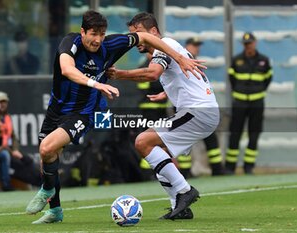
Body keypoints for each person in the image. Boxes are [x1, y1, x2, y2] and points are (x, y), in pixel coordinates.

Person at [25, 10, 206, 224]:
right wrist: (96, 83)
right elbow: (66, 69)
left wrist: (179, 57)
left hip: (83, 112)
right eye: (93, 34)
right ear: (83, 32)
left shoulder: (111, 45)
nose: (98, 40)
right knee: (47, 158)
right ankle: (55, 211)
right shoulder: (70, 42)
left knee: (47, 148)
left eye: (102, 34)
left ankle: (46, 189)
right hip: (56, 109)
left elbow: (146, 37)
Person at [107, 12, 219, 220]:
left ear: (153, 32)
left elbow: (152, 74)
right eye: (133, 35)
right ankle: (179, 206)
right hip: (202, 111)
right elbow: (187, 77)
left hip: (198, 111)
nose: (137, 39)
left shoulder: (163, 45)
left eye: (139, 33)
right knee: (158, 156)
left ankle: (184, 191)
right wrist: (167, 92)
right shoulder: (172, 47)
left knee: (142, 142)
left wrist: (120, 74)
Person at [225, 32, 272, 174]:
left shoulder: (264, 60)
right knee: (235, 133)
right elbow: (232, 79)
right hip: (239, 102)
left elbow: (267, 79)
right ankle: (230, 167)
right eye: (246, 44)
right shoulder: (236, 60)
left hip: (257, 103)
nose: (248, 46)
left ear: (255, 43)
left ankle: (249, 166)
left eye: (250, 43)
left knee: (254, 133)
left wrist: (258, 92)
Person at [177, 37, 224, 177]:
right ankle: (185, 172)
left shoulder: (195, 62)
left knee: (210, 138)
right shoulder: (179, 61)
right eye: (194, 45)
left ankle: (217, 169)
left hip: (201, 107)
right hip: (187, 107)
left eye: (198, 45)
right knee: (184, 138)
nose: (197, 48)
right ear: (187, 46)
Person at [0, 91, 41, 187]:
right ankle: (7, 185)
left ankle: (43, 179)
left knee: (28, 160)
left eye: (4, 102)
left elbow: (14, 136)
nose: (2, 104)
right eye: (0, 102)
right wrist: (11, 151)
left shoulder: (7, 117)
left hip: (10, 149)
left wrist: (15, 149)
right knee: (19, 165)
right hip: (1, 150)